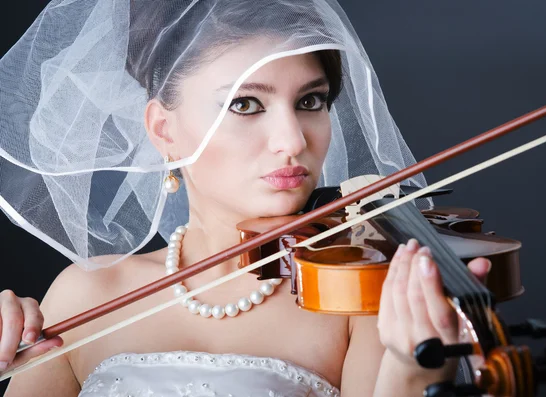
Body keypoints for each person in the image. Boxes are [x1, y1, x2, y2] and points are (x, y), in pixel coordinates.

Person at [0, 1, 491, 396]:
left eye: (310, 102)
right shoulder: (86, 295)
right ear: (164, 130)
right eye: (245, 104)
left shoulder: (356, 300)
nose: (294, 140)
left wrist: (413, 370)